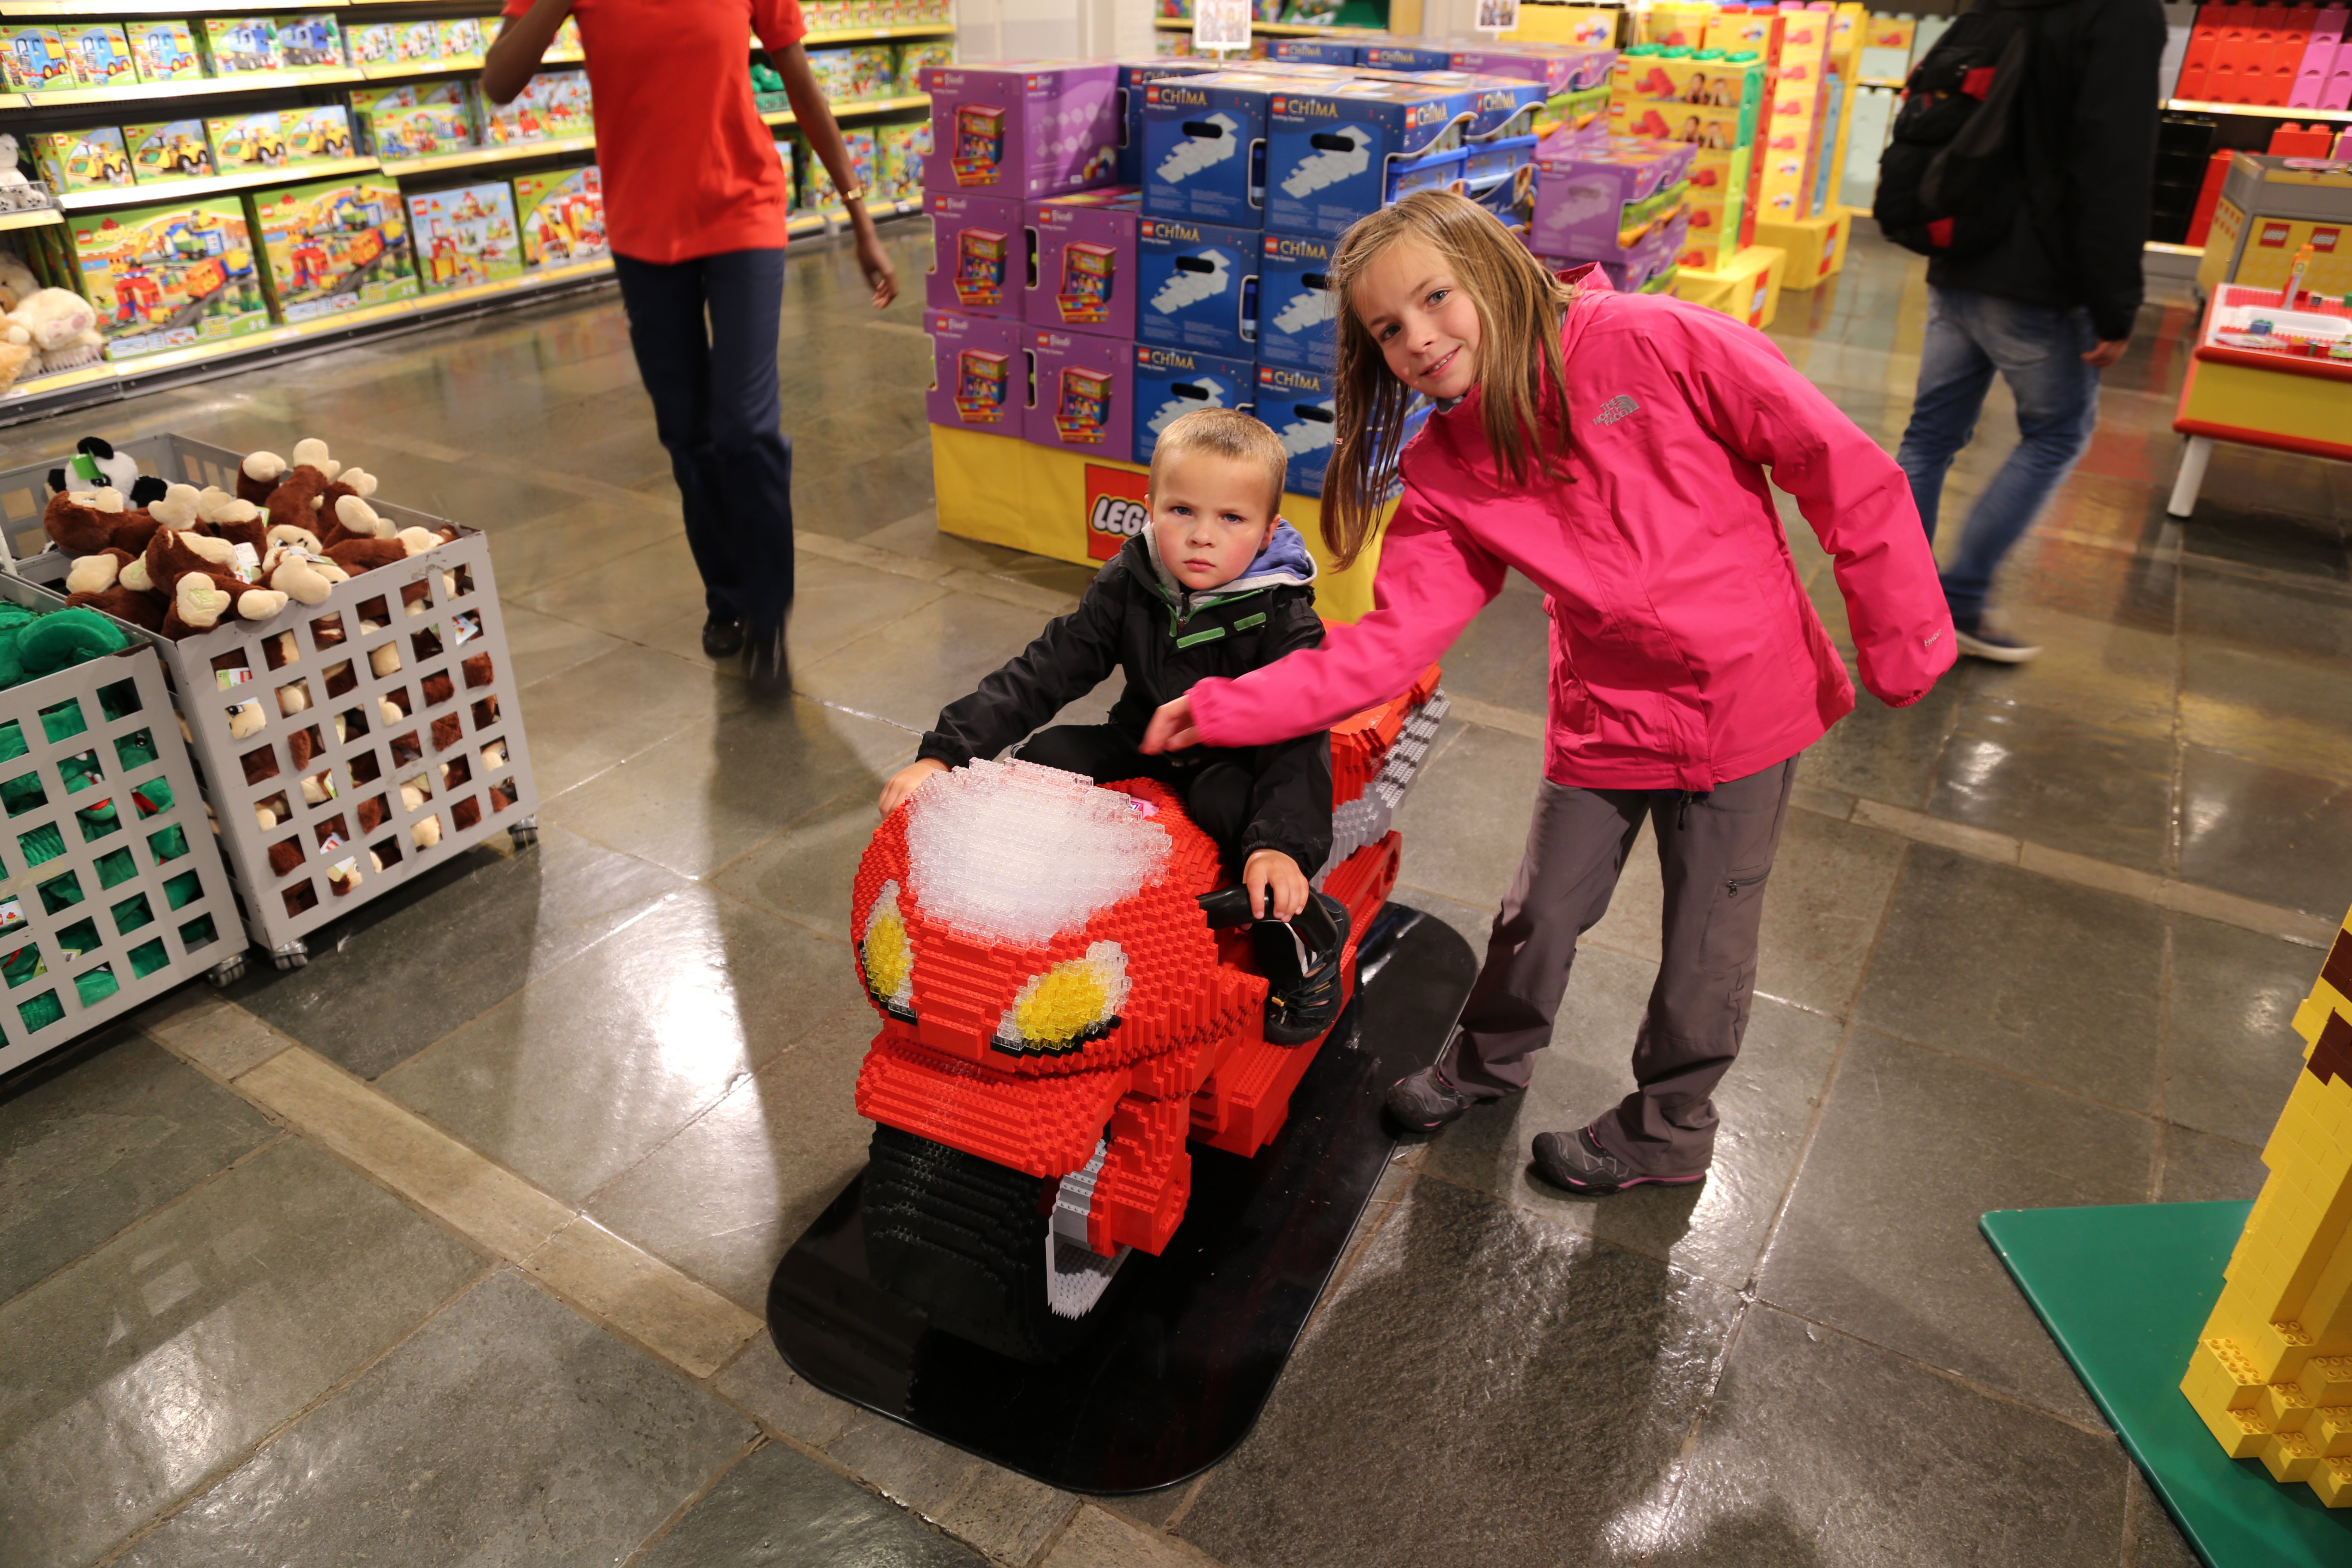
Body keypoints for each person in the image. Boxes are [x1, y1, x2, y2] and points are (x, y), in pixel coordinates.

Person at [1141, 192, 1955, 1194]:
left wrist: (1902, 633)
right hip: (1606, 717)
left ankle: (1669, 1129)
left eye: (1436, 298)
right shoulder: (1443, 468)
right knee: (1538, 914)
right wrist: (1228, 707)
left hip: (1747, 709)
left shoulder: (1656, 340)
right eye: (1388, 330)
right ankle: (1486, 1064)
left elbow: (1841, 466)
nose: (1421, 340)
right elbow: (1395, 636)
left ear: (1490, 268)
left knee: (1708, 940)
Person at [876, 408, 1349, 1044]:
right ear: (1149, 507)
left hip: (1237, 759)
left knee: (1243, 829)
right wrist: (944, 755)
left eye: (1231, 518)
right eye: (1183, 510)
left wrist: (1280, 849)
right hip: (1143, 739)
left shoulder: (1286, 620)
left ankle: (1300, 954)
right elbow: (1045, 670)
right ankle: (1015, 917)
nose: (1202, 536)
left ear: (1269, 532)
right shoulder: (1132, 580)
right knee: (1047, 756)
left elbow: (1299, 743)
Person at [484, 0, 899, 696]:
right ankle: (727, 594)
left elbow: (799, 82)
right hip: (642, 229)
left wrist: (860, 217)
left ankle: (769, 608)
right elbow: (499, 81)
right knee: (687, 433)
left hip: (744, 211)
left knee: (746, 427)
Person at [1890, 0, 2165, 663]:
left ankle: (1901, 605)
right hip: (2036, 279)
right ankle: (1959, 602)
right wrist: (2116, 303)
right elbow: (2114, 164)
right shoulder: (2121, 16)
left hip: (1960, 254)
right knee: (2056, 434)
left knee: (1929, 436)